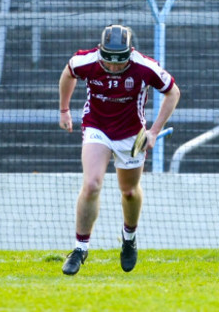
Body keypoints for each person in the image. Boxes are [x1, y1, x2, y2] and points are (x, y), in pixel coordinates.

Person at [58, 24, 180, 275]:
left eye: (120, 62)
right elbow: (68, 73)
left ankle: (129, 238)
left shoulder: (145, 67)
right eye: (109, 62)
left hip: (130, 134)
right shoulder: (86, 61)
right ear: (101, 52)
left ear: (129, 53)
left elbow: (173, 92)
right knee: (91, 184)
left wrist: (154, 131)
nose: (113, 67)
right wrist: (64, 109)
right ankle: (80, 249)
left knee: (129, 192)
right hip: (97, 128)